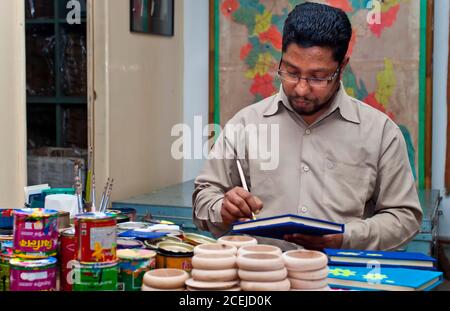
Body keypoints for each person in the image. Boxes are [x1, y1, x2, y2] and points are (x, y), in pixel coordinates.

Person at [192, 2, 422, 251]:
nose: (301, 88)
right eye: (291, 72)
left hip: (341, 280)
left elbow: (404, 218)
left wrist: (345, 237)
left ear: (341, 67)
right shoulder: (246, 123)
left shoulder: (380, 133)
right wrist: (223, 209)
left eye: (318, 77)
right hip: (262, 276)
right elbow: (205, 197)